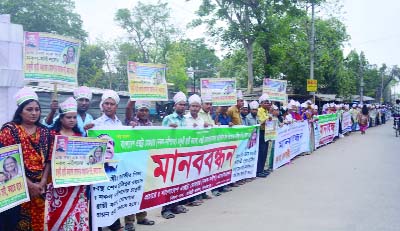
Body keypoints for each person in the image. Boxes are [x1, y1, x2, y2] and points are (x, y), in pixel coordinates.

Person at [0, 87, 52, 231]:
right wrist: (29, 185)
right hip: (17, 188)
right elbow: (7, 161)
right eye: (29, 109)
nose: (34, 113)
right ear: (20, 111)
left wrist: (41, 182)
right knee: (15, 224)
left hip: (39, 189)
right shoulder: (9, 131)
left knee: (37, 223)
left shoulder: (45, 132)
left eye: (37, 109)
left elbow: (48, 159)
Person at [47, 97, 90, 230]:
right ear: (61, 118)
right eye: (68, 117)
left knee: (78, 216)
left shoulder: (79, 135)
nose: (72, 120)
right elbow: (49, 160)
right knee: (59, 216)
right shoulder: (53, 135)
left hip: (77, 185)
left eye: (74, 117)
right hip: (59, 185)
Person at [85, 90, 123, 231]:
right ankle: (98, 226)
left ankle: (115, 224)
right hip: (99, 166)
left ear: (116, 106)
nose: (108, 106)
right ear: (102, 105)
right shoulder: (95, 124)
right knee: (100, 195)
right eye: (106, 103)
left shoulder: (119, 123)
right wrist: (86, 131)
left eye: (111, 104)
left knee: (114, 192)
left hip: (115, 165)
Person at [124, 100, 156, 230]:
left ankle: (142, 217)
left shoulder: (150, 124)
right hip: (131, 161)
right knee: (131, 191)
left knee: (143, 190)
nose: (143, 112)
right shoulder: (131, 122)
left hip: (144, 160)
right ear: (136, 111)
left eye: (146, 110)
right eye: (141, 110)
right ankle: (129, 222)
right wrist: (132, 99)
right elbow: (127, 111)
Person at [160, 92, 189, 219]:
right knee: (168, 182)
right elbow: (161, 136)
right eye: (180, 105)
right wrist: (169, 129)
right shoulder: (168, 119)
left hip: (182, 154)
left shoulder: (185, 120)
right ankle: (165, 209)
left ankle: (176, 205)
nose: (182, 107)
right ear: (175, 106)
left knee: (179, 181)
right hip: (170, 154)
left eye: (184, 105)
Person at [257, 93, 272, 178]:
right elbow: (260, 121)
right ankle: (258, 171)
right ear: (261, 103)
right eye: (265, 102)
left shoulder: (266, 111)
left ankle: (262, 169)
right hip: (261, 132)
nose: (267, 104)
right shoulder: (259, 110)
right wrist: (267, 118)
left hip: (267, 132)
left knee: (265, 152)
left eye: (268, 102)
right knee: (261, 152)